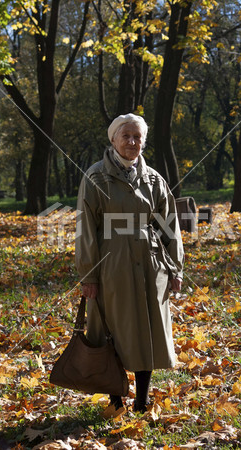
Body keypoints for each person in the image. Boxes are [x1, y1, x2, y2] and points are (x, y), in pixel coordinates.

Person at [75, 113, 184, 413]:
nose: (133, 142)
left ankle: (142, 400)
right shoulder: (96, 177)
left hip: (150, 262)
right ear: (113, 139)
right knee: (115, 329)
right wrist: (89, 276)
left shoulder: (154, 180)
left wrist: (175, 268)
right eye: (127, 135)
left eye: (138, 137)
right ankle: (115, 399)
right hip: (112, 263)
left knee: (147, 329)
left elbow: (169, 226)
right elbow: (86, 228)